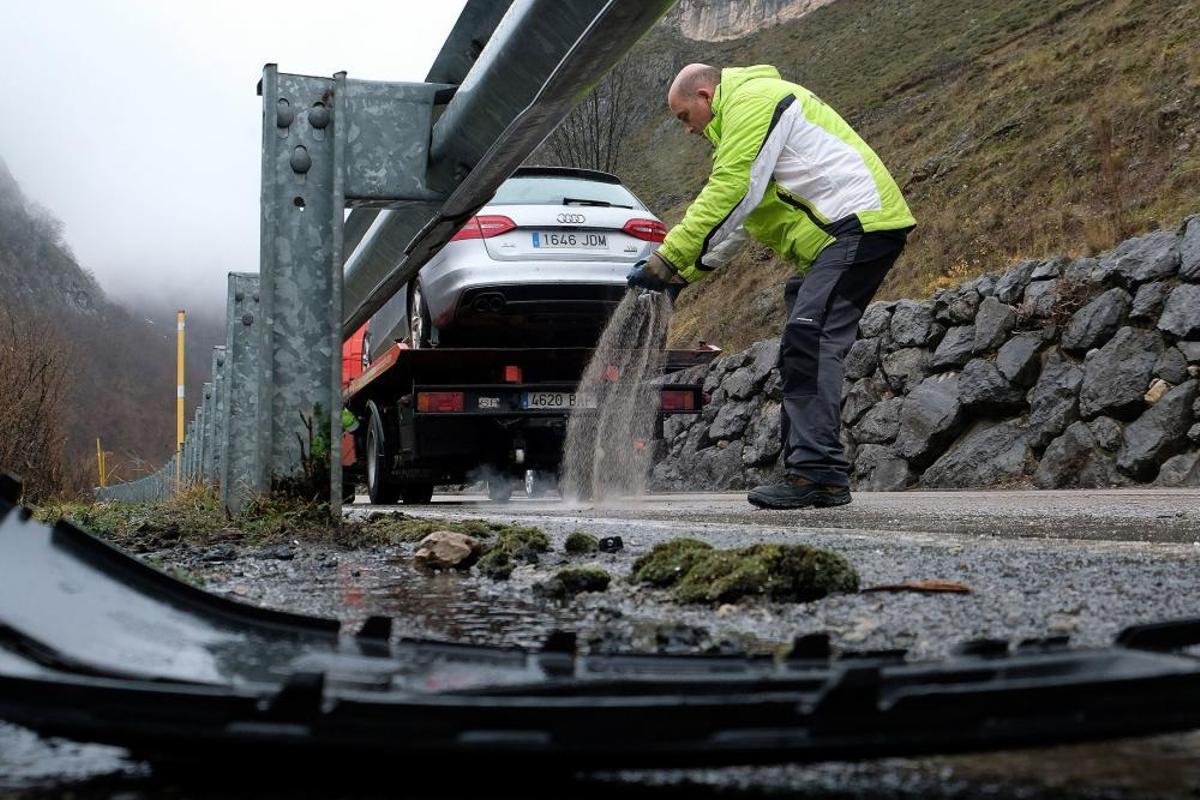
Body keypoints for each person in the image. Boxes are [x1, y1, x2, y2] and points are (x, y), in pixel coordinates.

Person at [627, 64, 915, 510]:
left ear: (705, 95)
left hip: (857, 226)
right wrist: (685, 273)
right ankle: (808, 471)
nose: (687, 131)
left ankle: (818, 475)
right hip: (831, 242)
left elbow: (731, 192)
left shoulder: (754, 100)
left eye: (685, 117)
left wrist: (665, 258)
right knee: (800, 344)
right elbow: (742, 220)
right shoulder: (742, 127)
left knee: (810, 338)